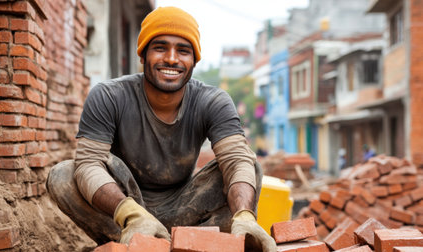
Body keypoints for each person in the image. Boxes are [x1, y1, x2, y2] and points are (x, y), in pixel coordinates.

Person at [46, 6, 277, 252]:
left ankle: (192, 245)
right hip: (122, 207)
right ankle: (132, 242)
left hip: (186, 208)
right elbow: (88, 163)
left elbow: (236, 159)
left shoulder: (213, 101)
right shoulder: (109, 96)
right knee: (63, 177)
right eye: (160, 47)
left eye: (183, 51)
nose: (171, 58)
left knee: (248, 167)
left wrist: (244, 216)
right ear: (143, 55)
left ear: (194, 60)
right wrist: (130, 213)